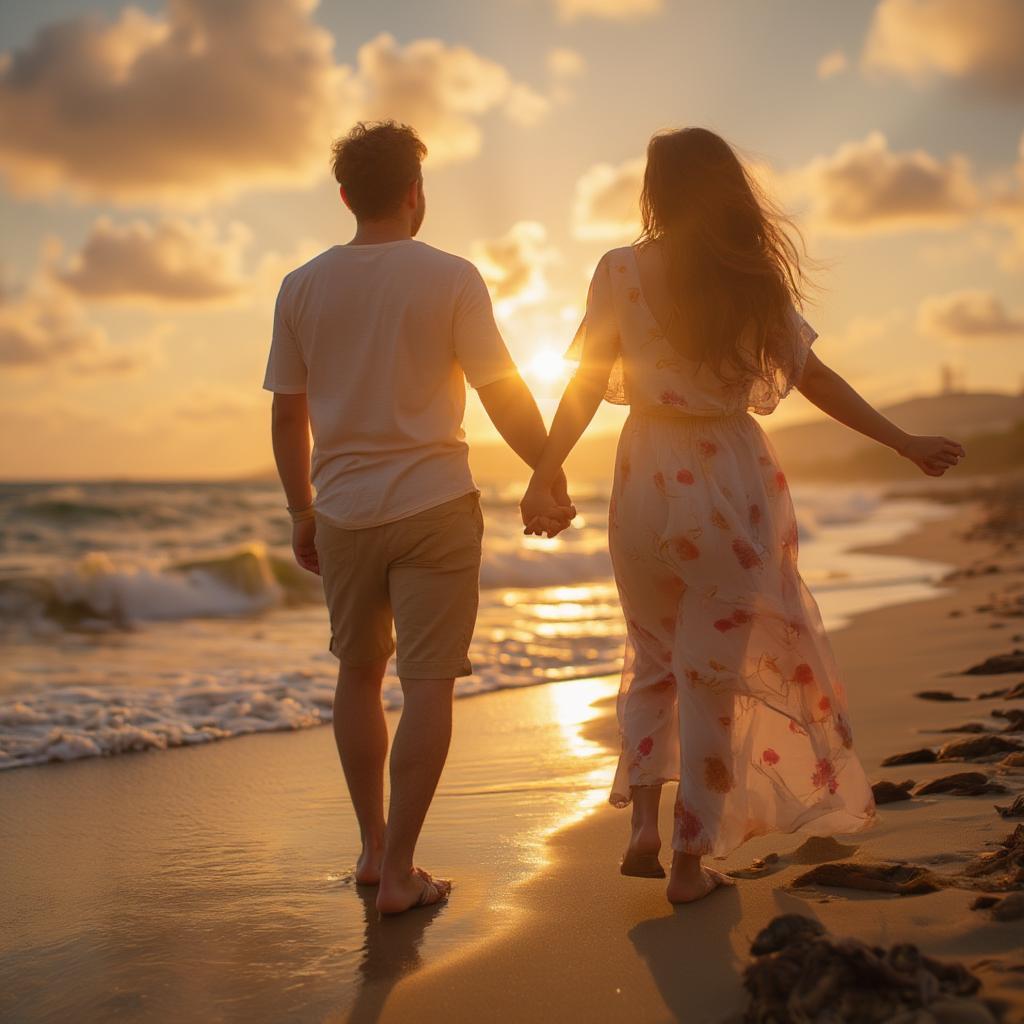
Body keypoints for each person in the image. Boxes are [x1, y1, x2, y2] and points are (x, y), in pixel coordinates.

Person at [520, 127, 965, 904]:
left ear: (657, 191)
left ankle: (644, 825)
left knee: (654, 654)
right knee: (710, 680)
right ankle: (690, 863)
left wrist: (547, 468)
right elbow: (814, 376)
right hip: (726, 475)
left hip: (643, 474)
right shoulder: (746, 274)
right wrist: (902, 441)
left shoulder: (618, 268)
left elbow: (587, 384)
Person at [263, 121, 572, 915]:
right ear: (414, 192)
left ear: (344, 197)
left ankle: (373, 850)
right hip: (434, 503)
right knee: (428, 684)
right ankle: (402, 870)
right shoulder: (452, 276)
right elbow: (502, 390)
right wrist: (547, 472)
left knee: (357, 674)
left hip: (343, 509)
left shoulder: (300, 285)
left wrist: (303, 511)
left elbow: (287, 416)